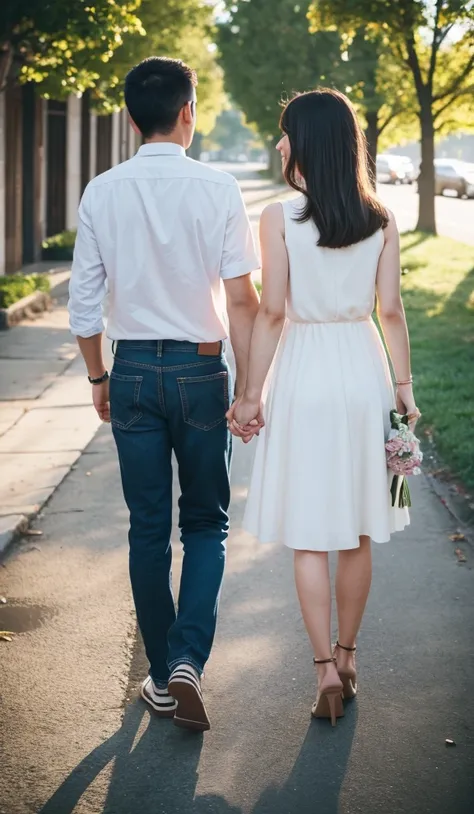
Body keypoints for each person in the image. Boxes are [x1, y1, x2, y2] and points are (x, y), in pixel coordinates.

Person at [68, 57, 260, 732]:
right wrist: (248, 388)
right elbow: (242, 299)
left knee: (148, 527)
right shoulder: (218, 188)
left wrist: (99, 378)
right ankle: (186, 663)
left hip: (130, 375)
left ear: (128, 118)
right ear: (189, 111)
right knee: (205, 522)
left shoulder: (102, 191)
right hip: (202, 371)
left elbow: (84, 309)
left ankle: (159, 673)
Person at [227, 89, 420, 727]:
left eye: (285, 134)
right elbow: (390, 313)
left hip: (305, 369)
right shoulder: (383, 218)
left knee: (310, 533)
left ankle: (322, 671)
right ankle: (349, 654)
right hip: (362, 370)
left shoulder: (281, 218)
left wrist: (251, 393)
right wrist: (405, 389)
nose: (280, 144)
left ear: (308, 142)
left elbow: (274, 311)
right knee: (359, 528)